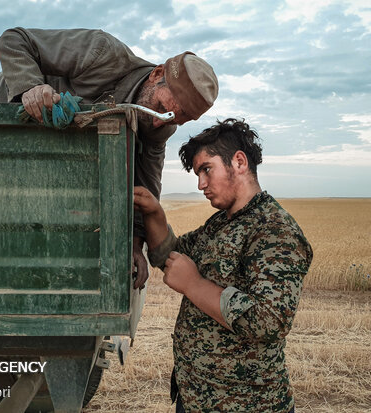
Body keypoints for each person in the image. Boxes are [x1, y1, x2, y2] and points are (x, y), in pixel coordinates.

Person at [0, 27, 219, 289]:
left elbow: (145, 190)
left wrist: (135, 247)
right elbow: (14, 39)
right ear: (156, 74)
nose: (160, 124)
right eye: (161, 108)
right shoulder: (101, 53)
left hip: (53, 165)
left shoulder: (161, 125)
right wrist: (31, 87)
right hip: (0, 123)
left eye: (176, 120)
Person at [133, 119, 313, 412]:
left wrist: (194, 285)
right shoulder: (221, 223)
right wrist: (154, 212)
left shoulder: (274, 230)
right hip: (197, 398)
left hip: (246, 405)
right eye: (197, 174)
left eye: (206, 169)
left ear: (239, 162)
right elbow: (173, 257)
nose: (201, 184)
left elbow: (268, 322)